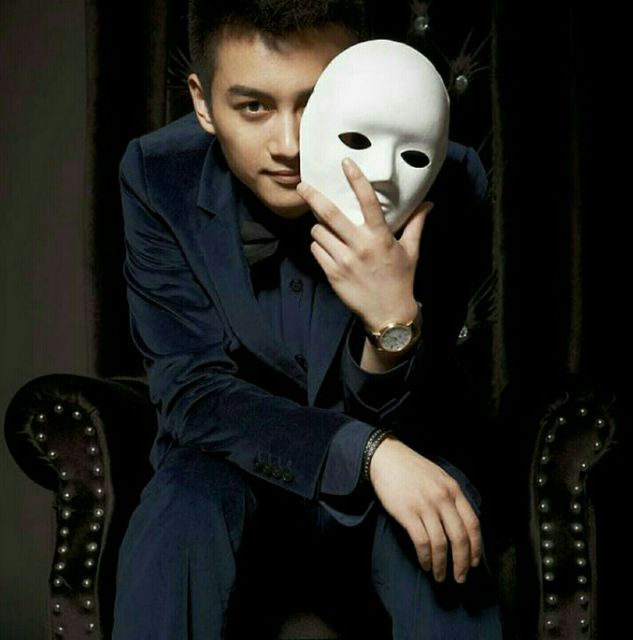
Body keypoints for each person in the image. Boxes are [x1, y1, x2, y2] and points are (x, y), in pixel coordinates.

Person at [111, 1, 503, 638]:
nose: (289, 145)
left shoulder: (442, 174)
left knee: (442, 515)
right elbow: (193, 394)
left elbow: (428, 406)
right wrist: (366, 453)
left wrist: (392, 321)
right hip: (237, 469)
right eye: (253, 107)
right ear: (203, 104)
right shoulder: (159, 176)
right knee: (181, 499)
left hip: (401, 472)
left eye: (316, 103)